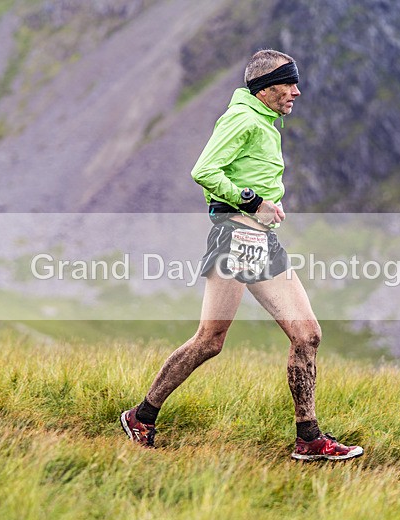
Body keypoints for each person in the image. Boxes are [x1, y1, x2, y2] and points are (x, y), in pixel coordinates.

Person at [120, 49, 363, 462]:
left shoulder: (265, 122)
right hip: (236, 236)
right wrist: (250, 202)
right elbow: (205, 170)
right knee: (210, 341)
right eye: (290, 83)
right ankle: (140, 416)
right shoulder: (242, 119)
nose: (297, 92)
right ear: (267, 88)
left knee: (307, 335)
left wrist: (264, 208)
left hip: (261, 240)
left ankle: (309, 438)